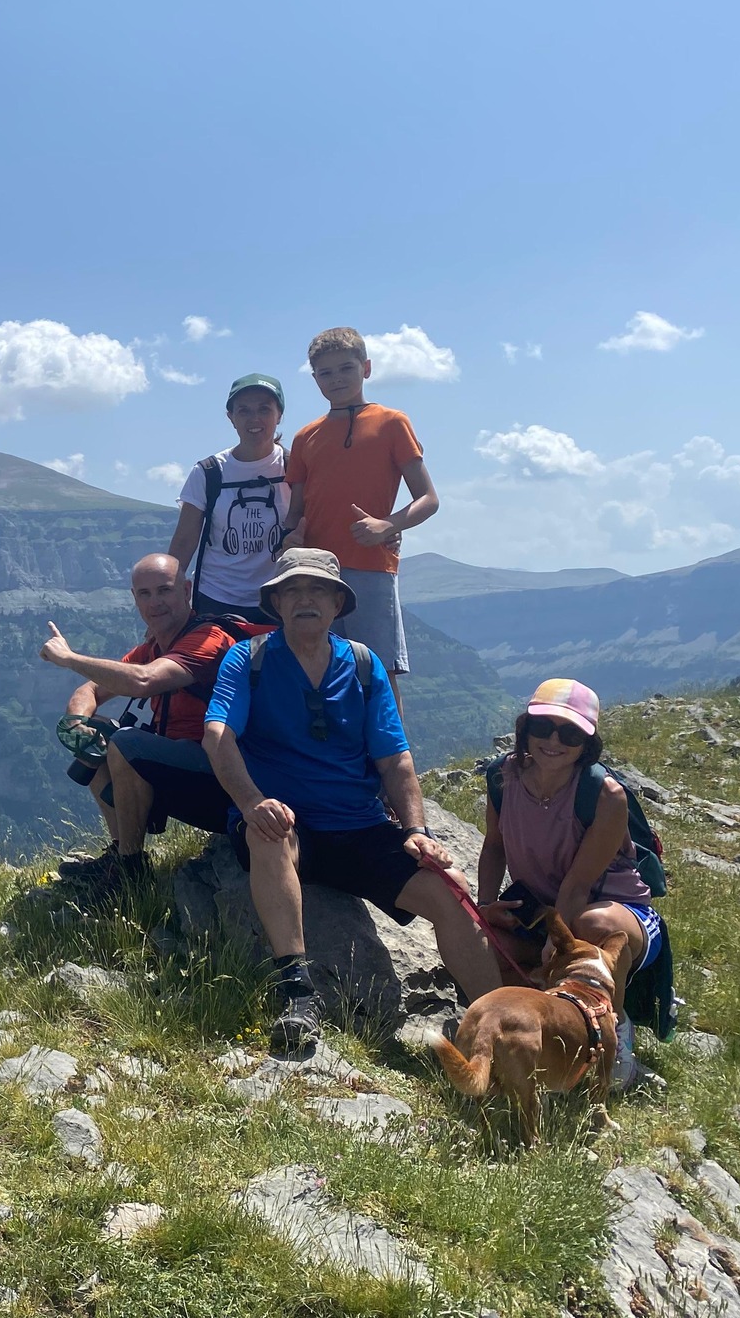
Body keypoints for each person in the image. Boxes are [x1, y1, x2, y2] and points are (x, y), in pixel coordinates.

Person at [203, 547, 501, 1051]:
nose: (305, 600)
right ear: (274, 603)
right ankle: (297, 992)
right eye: (292, 590)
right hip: (290, 824)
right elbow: (217, 735)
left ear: (338, 603)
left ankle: (503, 1022)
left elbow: (395, 760)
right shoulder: (247, 659)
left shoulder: (363, 666)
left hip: (361, 827)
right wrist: (253, 802)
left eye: (317, 589)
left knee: (447, 891)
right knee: (268, 835)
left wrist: (416, 832)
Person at [477, 678, 668, 1082]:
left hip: (615, 910)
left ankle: (613, 1034)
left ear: (588, 742)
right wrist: (486, 906)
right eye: (543, 727)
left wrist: (554, 941)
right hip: (542, 907)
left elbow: (578, 886)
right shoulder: (502, 778)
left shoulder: (604, 795)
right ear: (525, 730)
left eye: (570, 732)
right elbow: (494, 847)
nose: (553, 740)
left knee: (590, 925)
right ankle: (542, 1038)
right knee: (481, 946)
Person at [40, 553, 260, 902]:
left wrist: (69, 659)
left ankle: (129, 874)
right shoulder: (154, 646)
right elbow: (93, 689)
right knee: (100, 733)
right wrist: (79, 724)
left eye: (164, 591)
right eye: (145, 594)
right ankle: (121, 853)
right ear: (134, 598)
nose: (155, 602)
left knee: (127, 745)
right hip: (190, 771)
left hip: (229, 780)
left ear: (186, 591)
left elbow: (144, 681)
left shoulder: (208, 639)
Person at [279, 327, 438, 704]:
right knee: (317, 670)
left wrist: (389, 525)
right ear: (314, 378)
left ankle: (394, 760)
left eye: (345, 369)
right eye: (325, 373)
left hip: (371, 566)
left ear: (366, 368)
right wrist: (288, 538)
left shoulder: (392, 422)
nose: (336, 380)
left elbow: (429, 498)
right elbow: (295, 511)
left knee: (378, 673)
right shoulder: (305, 437)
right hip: (315, 571)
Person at [167, 373, 289, 623]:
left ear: (279, 415)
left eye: (264, 409)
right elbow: (183, 542)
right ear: (231, 418)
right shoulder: (208, 472)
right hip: (217, 600)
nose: (254, 419)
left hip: (280, 599)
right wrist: (168, 602)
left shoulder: (296, 467)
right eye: (243, 410)